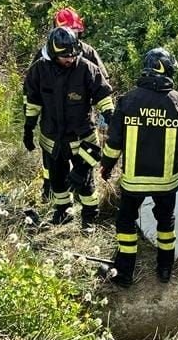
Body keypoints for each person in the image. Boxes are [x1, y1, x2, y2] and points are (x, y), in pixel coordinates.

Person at [99, 47, 178, 286]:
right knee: (166, 223)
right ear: (167, 71)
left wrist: (106, 165)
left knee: (125, 222)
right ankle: (164, 270)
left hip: (134, 180)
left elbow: (114, 142)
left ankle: (124, 274)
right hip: (166, 182)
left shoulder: (128, 101)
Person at [23, 27, 114, 229]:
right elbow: (33, 101)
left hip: (83, 138)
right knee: (57, 180)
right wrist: (28, 128)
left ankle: (90, 216)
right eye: (65, 57)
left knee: (84, 181)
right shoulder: (39, 70)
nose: (70, 59)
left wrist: (109, 113)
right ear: (54, 54)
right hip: (52, 137)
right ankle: (63, 212)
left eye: (73, 55)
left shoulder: (86, 69)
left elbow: (102, 94)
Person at [34, 7, 108, 199]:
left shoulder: (88, 53)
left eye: (75, 33)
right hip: (52, 123)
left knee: (83, 164)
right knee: (52, 162)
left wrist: (102, 117)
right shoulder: (44, 56)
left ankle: (83, 196)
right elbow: (33, 88)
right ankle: (51, 190)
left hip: (80, 121)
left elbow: (103, 84)